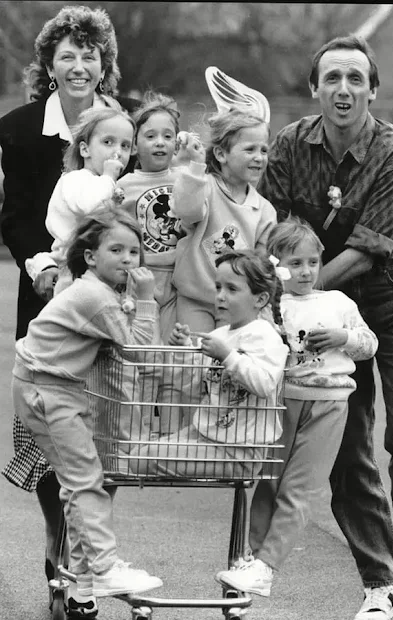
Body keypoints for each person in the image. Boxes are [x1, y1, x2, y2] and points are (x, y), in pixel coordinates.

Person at [254, 35, 393, 620]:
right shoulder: (289, 145)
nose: (344, 89)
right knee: (345, 442)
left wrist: (299, 300)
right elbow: (272, 231)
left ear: (373, 90)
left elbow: (366, 249)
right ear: (315, 89)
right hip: (313, 296)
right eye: (332, 78)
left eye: (356, 78)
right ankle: (379, 583)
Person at [0, 4, 140, 620]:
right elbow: (17, 215)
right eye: (68, 55)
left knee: (99, 431)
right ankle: (58, 545)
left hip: (114, 292)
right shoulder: (18, 129)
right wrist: (45, 269)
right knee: (50, 430)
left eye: (90, 54)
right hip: (50, 294)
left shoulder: (127, 126)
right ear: (49, 65)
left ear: (103, 64)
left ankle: (86, 562)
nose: (80, 65)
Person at [215, 217, 378, 598]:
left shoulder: (337, 302)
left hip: (329, 406)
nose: (306, 271)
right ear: (277, 267)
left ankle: (266, 565)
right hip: (282, 403)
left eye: (313, 262)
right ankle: (252, 558)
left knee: (299, 489)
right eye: (295, 263)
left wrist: (342, 337)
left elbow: (369, 344)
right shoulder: (272, 309)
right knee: (269, 481)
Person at [11, 210, 163, 599]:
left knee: (78, 481)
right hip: (46, 390)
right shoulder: (97, 297)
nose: (128, 259)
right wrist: (146, 299)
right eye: (116, 250)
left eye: (134, 251)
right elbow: (141, 352)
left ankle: (83, 571)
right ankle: (105, 567)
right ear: (91, 256)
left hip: (55, 387)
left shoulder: (101, 291)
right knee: (85, 480)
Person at [131, 250, 288, 478]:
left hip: (239, 450)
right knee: (137, 452)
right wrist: (184, 350)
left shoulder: (265, 335)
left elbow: (264, 384)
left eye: (232, 289)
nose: (221, 296)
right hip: (205, 433)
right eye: (218, 287)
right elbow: (195, 389)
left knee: (141, 459)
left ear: (260, 299)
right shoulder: (219, 335)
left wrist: (227, 356)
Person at [170, 108, 277, 333]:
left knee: (227, 353)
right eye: (250, 149)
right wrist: (196, 167)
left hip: (236, 307)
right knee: (194, 352)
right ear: (221, 154)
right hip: (195, 299)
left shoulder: (265, 211)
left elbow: (262, 265)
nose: (259, 157)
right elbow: (186, 211)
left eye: (264, 150)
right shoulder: (203, 186)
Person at [26, 103, 136, 293]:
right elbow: (89, 205)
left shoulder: (107, 184)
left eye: (125, 145)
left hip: (99, 269)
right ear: (85, 150)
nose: (117, 152)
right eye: (108, 142)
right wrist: (109, 177)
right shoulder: (75, 179)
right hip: (74, 270)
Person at [119, 90, 199, 343]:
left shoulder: (185, 178)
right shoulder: (124, 185)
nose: (160, 142)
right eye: (150, 136)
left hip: (179, 278)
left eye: (167, 136)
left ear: (177, 143)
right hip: (140, 278)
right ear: (134, 145)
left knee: (174, 345)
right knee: (144, 344)